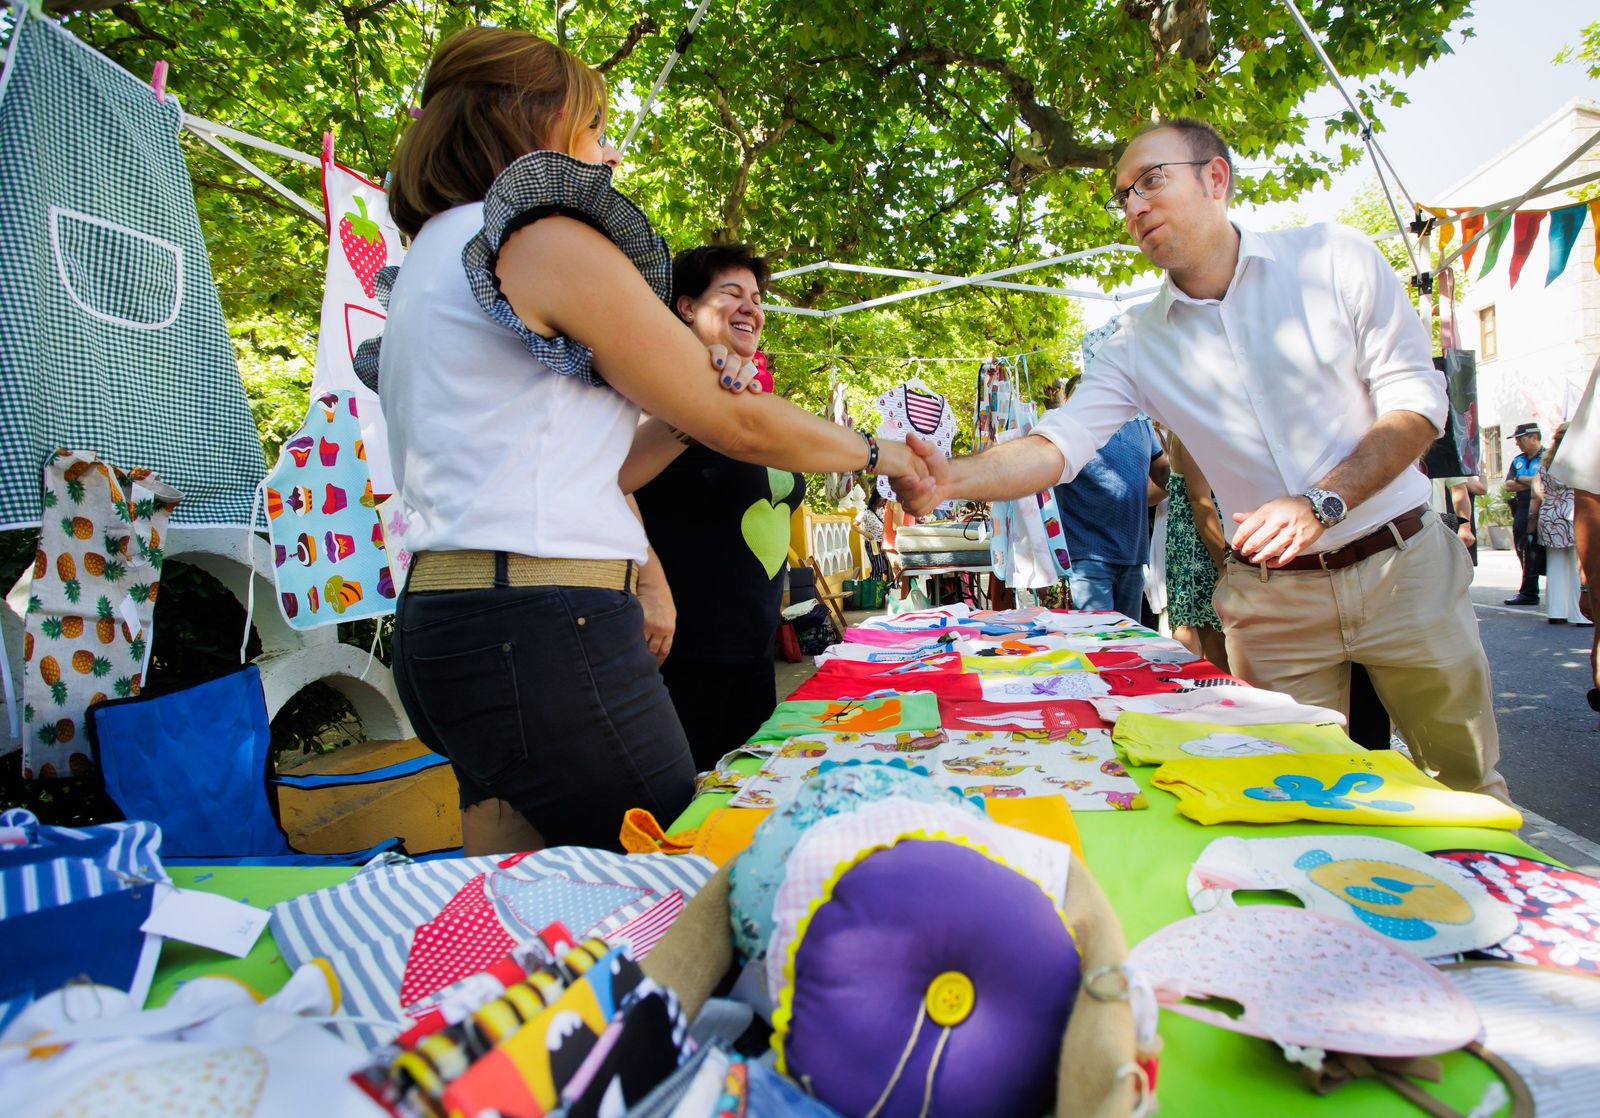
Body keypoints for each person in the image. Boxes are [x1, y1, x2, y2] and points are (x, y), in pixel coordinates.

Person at [380, 28, 925, 855]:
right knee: (677, 885)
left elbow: (606, 466)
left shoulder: (435, 253)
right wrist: (885, 455)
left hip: (452, 623)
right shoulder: (539, 237)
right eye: (596, 130)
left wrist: (683, 406)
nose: (610, 158)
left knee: (524, 893)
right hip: (542, 629)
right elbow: (737, 420)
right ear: (547, 122)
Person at [894, 117, 1508, 800]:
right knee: (1297, 799)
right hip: (1275, 602)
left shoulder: (1333, 258)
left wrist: (1321, 502)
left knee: (1465, 786)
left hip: (1403, 569)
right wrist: (953, 478)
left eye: (1151, 180)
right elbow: (1056, 445)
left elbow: (1418, 406)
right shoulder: (1135, 341)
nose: (1133, 205)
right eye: (1122, 195)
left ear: (1216, 178)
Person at [633, 244, 804, 771]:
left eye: (756, 297)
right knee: (690, 805)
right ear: (687, 307)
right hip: (683, 646)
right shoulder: (649, 385)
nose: (751, 306)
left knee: (746, 792)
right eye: (731, 293)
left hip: (753, 642)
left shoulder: (751, 397)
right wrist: (650, 583)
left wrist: (879, 456)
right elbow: (605, 481)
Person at [1049, 377, 1169, 618]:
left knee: (1129, 643)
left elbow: (1165, 476)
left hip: (1133, 555)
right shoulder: (1069, 426)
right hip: (1088, 555)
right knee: (1099, 643)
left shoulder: (1140, 423)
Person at [1163, 433, 1229, 670]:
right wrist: (1224, 563)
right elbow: (1200, 501)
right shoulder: (1190, 431)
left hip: (1201, 546)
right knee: (1216, 649)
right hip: (1200, 549)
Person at [1532, 423, 1591, 627]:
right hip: (1572, 512)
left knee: (1555, 564)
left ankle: (1556, 611)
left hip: (1549, 513)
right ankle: (1578, 613)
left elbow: (1538, 487)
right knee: (1577, 565)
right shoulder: (1577, 460)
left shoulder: (1546, 461)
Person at [1503, 422, 1545, 606]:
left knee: (1550, 549)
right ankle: (1529, 591)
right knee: (1525, 548)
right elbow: (1508, 484)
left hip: (1544, 506)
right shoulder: (1518, 460)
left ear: (1533, 437)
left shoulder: (1547, 457)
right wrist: (1531, 481)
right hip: (1522, 505)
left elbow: (1545, 482)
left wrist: (1521, 480)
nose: (1517, 443)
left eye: (1520, 439)